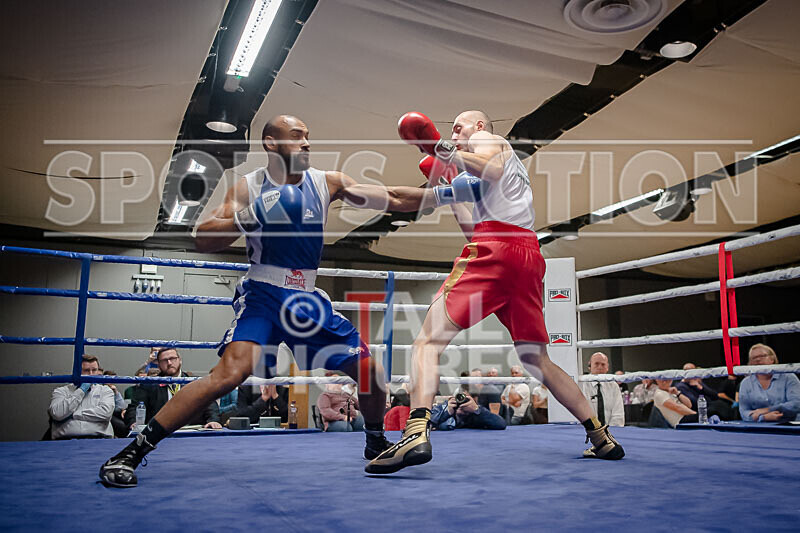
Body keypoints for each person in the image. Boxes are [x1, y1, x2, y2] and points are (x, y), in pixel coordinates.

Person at [99, 114, 479, 487]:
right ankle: (131, 451)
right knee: (229, 376)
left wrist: (450, 193)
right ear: (271, 143)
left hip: (307, 298)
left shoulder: (327, 182)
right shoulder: (248, 187)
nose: (307, 142)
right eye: (297, 135)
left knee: (373, 375)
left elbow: (393, 197)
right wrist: (254, 215)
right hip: (264, 293)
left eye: (308, 135)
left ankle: (374, 440)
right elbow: (204, 236)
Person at [367, 110, 623, 474]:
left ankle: (415, 432)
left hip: (498, 248)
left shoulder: (488, 143)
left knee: (426, 342)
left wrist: (442, 149)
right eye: (451, 131)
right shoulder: (477, 179)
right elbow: (456, 221)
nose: (455, 134)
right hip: (526, 257)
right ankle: (600, 436)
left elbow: (492, 170)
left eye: (460, 127)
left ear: (480, 126)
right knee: (537, 359)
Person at [122, 348, 222, 431]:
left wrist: (213, 420)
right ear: (159, 364)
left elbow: (210, 405)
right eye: (164, 360)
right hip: (159, 432)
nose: (169, 363)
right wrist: (133, 422)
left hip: (191, 430)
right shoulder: (149, 384)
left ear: (180, 360)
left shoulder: (195, 382)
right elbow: (134, 407)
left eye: (172, 358)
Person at [48, 355, 115, 439]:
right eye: (86, 370)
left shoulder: (105, 391)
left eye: (94, 370)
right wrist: (81, 391)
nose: (91, 374)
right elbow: (57, 414)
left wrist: (73, 414)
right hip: (65, 441)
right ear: (77, 371)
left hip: (100, 440)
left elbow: (105, 413)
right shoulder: (61, 391)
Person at [739, 344, 800, 422]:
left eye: (762, 356)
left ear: (772, 359)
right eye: (753, 358)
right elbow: (744, 412)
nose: (758, 360)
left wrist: (768, 410)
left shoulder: (788, 377)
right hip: (759, 428)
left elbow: (797, 404)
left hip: (790, 425)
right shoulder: (746, 383)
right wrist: (763, 417)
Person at [579, 353, 624, 427]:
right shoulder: (582, 384)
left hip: (611, 432)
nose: (600, 367)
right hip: (587, 431)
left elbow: (618, 415)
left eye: (603, 364)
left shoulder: (613, 385)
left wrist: (611, 434)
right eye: (596, 364)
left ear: (607, 367)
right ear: (589, 366)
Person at [429, 391, 506, 431]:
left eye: (466, 399)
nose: (461, 402)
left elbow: (501, 424)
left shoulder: (475, 413)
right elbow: (426, 423)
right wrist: (447, 412)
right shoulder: (444, 407)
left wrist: (477, 410)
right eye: (458, 399)